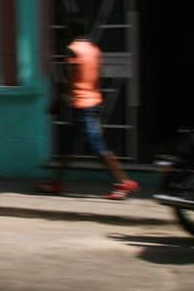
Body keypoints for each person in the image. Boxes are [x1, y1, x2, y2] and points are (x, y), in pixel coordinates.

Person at [36, 17, 138, 199]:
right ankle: (57, 183)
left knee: (96, 145)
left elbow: (69, 81)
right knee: (67, 146)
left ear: (71, 31)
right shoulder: (94, 50)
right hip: (92, 101)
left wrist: (58, 103)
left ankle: (123, 182)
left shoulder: (73, 50)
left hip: (82, 106)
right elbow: (94, 77)